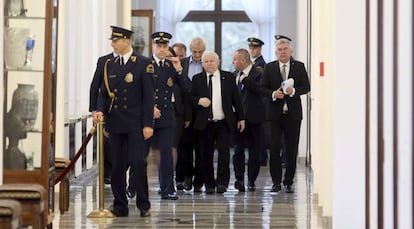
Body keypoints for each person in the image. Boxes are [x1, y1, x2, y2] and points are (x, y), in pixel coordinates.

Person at [94, 25, 154, 217]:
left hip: (136, 123)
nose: (113, 44)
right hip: (116, 122)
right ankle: (120, 205)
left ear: (127, 41)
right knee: (118, 166)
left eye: (116, 40)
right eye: (112, 41)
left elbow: (148, 97)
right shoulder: (109, 65)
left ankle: (143, 203)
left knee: (138, 162)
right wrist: (100, 111)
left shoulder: (143, 63)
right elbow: (104, 93)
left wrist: (148, 124)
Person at [260, 35, 310, 193]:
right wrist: (274, 94)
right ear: (276, 52)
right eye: (280, 50)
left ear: (291, 51)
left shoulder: (299, 66)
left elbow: (306, 87)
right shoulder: (269, 67)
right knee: (274, 149)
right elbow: (262, 89)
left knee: (291, 149)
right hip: (274, 115)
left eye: (285, 49)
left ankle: (288, 181)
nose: (282, 52)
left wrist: (294, 91)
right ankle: (276, 182)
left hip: (293, 115)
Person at [190, 50, 245, 194]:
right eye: (206, 61)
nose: (209, 63)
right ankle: (209, 184)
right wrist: (198, 101)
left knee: (224, 153)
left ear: (218, 62)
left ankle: (222, 183)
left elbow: (236, 99)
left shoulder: (228, 77)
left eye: (212, 61)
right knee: (205, 155)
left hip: (223, 122)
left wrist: (241, 118)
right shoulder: (197, 79)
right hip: (205, 123)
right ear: (202, 64)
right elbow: (190, 98)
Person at [147, 32, 192, 200]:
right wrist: (149, 107)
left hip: (166, 116)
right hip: (147, 116)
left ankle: (167, 189)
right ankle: (133, 187)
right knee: (140, 154)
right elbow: (138, 91)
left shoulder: (171, 66)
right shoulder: (145, 64)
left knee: (166, 153)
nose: (162, 49)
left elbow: (188, 88)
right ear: (153, 46)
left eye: (165, 46)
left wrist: (179, 69)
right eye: (159, 46)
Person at [231, 48, 265, 192]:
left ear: (244, 60)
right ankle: (239, 179)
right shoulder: (234, 75)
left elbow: (261, 90)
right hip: (238, 120)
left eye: (235, 59)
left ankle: (251, 180)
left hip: (254, 119)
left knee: (254, 152)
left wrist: (247, 80)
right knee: (237, 151)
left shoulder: (259, 73)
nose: (233, 62)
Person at [175, 37, 206, 192]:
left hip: (202, 111)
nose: (197, 55)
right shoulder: (183, 63)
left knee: (201, 147)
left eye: (200, 52)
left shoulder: (208, 63)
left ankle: (199, 180)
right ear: (190, 50)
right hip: (185, 111)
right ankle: (185, 176)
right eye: (194, 51)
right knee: (184, 147)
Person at [89, 51, 117, 184]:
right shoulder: (104, 61)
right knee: (108, 142)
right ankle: (108, 173)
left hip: (127, 111)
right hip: (107, 108)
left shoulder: (136, 61)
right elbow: (95, 86)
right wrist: (94, 109)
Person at [247, 37, 269, 167]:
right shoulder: (253, 63)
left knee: (260, 134)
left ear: (260, 49)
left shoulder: (260, 65)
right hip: (253, 103)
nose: (252, 50)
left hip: (259, 103)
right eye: (250, 48)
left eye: (254, 48)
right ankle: (258, 157)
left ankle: (262, 157)